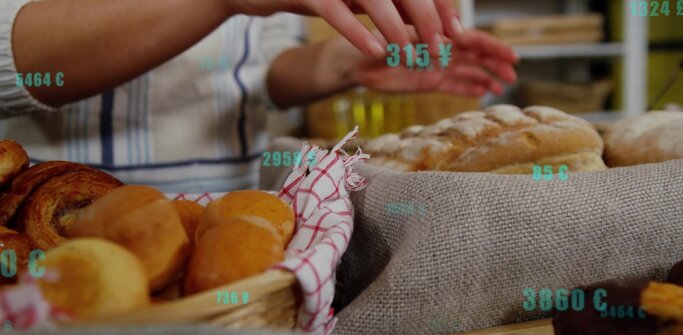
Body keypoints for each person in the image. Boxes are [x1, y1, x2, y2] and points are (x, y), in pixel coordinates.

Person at [0, 0, 518, 193]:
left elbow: (259, 71)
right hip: (56, 239)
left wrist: (351, 63)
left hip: (233, 225)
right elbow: (11, 58)